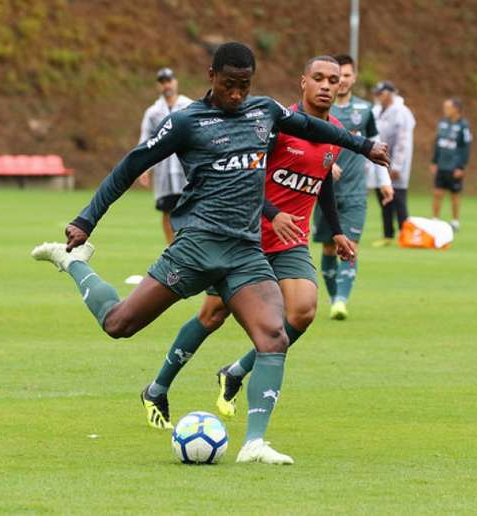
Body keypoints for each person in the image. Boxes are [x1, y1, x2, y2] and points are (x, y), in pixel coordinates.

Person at [32, 42, 390, 465]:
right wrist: (86, 219)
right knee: (119, 324)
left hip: (245, 251)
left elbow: (314, 129)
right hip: (196, 247)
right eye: (228, 85)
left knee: (273, 336)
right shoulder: (187, 122)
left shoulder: (265, 112)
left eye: (244, 85)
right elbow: (130, 165)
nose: (237, 94)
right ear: (211, 76)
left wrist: (363, 146)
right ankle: (73, 263)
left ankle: (255, 442)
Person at [140, 55, 356, 431]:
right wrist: (273, 213)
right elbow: (244, 176)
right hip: (245, 237)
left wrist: (336, 230)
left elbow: (321, 183)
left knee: (302, 311)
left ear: (341, 86)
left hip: (290, 243)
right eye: (318, 78)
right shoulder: (272, 125)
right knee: (212, 315)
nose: (326, 85)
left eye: (333, 80)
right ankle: (157, 387)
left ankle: (236, 372)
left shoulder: (333, 134)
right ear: (302, 82)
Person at [313, 55, 393, 320]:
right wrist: (324, 164)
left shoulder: (365, 110)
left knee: (351, 247)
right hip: (325, 192)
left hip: (356, 191)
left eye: (346, 76)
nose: (343, 81)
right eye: (338, 76)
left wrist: (384, 182)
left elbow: (375, 145)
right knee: (327, 248)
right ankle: (334, 296)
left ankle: (340, 301)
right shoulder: (321, 108)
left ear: (353, 78)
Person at [138, 68, 193, 243]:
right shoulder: (153, 112)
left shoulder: (189, 106)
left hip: (187, 171)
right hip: (164, 174)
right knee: (167, 212)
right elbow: (146, 140)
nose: (166, 85)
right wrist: (144, 168)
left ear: (175, 82)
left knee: (190, 210)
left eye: (168, 81)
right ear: (158, 86)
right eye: (162, 82)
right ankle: (171, 248)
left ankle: (188, 248)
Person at [371, 80, 416, 247]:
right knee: (383, 197)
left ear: (390, 93)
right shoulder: (375, 111)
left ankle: (406, 235)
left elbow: (403, 142)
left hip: (396, 163)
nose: (378, 96)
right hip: (379, 161)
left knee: (398, 199)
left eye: (381, 93)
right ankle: (388, 234)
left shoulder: (402, 112)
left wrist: (397, 166)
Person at [431, 97, 472, 232]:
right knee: (437, 193)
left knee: (454, 194)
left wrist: (461, 166)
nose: (445, 110)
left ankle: (455, 221)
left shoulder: (463, 126)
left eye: (448, 108)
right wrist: (434, 161)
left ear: (456, 109)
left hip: (454, 166)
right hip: (442, 164)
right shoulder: (442, 123)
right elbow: (437, 143)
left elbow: (465, 147)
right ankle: (435, 220)